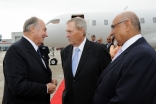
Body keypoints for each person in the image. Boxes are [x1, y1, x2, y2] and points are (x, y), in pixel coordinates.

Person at [93, 11, 156, 104]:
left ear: (127, 25)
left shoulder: (142, 55)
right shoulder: (132, 50)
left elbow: (127, 100)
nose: (111, 33)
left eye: (113, 27)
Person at [2, 17, 57, 104]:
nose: (46, 34)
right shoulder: (16, 50)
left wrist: (48, 81)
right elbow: (18, 86)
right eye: (44, 30)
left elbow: (33, 73)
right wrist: (45, 88)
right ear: (33, 29)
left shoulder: (38, 50)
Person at [61, 17, 111, 104]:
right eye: (66, 31)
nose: (67, 35)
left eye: (70, 32)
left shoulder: (99, 50)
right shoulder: (64, 52)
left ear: (81, 31)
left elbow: (108, 79)